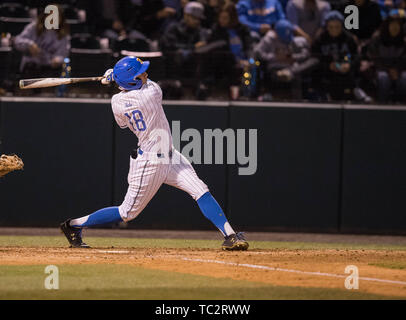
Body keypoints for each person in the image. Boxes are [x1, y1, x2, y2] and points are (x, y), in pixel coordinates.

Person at [60, 56, 249, 251]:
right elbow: (142, 86)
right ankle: (74, 225)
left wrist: (115, 79)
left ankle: (230, 235)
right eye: (140, 73)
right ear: (132, 80)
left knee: (200, 190)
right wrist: (115, 77)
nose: (145, 74)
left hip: (170, 155)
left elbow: (123, 124)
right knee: (127, 213)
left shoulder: (116, 101)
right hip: (149, 163)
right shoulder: (151, 92)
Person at [159, 1, 211, 99]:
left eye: (199, 19)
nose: (197, 21)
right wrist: (192, 47)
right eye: (194, 18)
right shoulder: (173, 29)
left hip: (195, 73)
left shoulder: (201, 32)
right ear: (186, 15)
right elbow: (169, 46)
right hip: (174, 72)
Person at [254, 19, 313, 100]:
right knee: (276, 76)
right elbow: (258, 53)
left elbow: (306, 54)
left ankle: (298, 103)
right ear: (276, 33)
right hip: (275, 68)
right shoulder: (268, 39)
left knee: (299, 73)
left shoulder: (295, 40)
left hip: (292, 68)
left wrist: (292, 57)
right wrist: (275, 57)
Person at [311, 10, 359, 101]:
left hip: (345, 73)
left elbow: (354, 56)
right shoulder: (320, 40)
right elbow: (316, 59)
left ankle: (357, 92)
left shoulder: (348, 38)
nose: (334, 30)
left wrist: (348, 64)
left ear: (341, 26)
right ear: (326, 27)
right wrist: (328, 65)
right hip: (326, 74)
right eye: (331, 27)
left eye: (337, 27)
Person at [14, 7, 70, 79]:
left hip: (50, 68)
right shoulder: (33, 27)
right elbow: (17, 40)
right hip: (31, 66)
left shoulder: (63, 34)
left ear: (61, 19)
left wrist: (58, 59)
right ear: (45, 16)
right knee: (31, 69)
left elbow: (63, 54)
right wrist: (29, 44)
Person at [367, 9, 406, 102]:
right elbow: (374, 58)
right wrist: (388, 69)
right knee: (383, 78)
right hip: (380, 69)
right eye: (392, 25)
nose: (395, 27)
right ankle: (382, 105)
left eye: (397, 25)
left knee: (404, 78)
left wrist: (397, 69)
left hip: (399, 70)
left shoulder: (404, 41)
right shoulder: (377, 39)